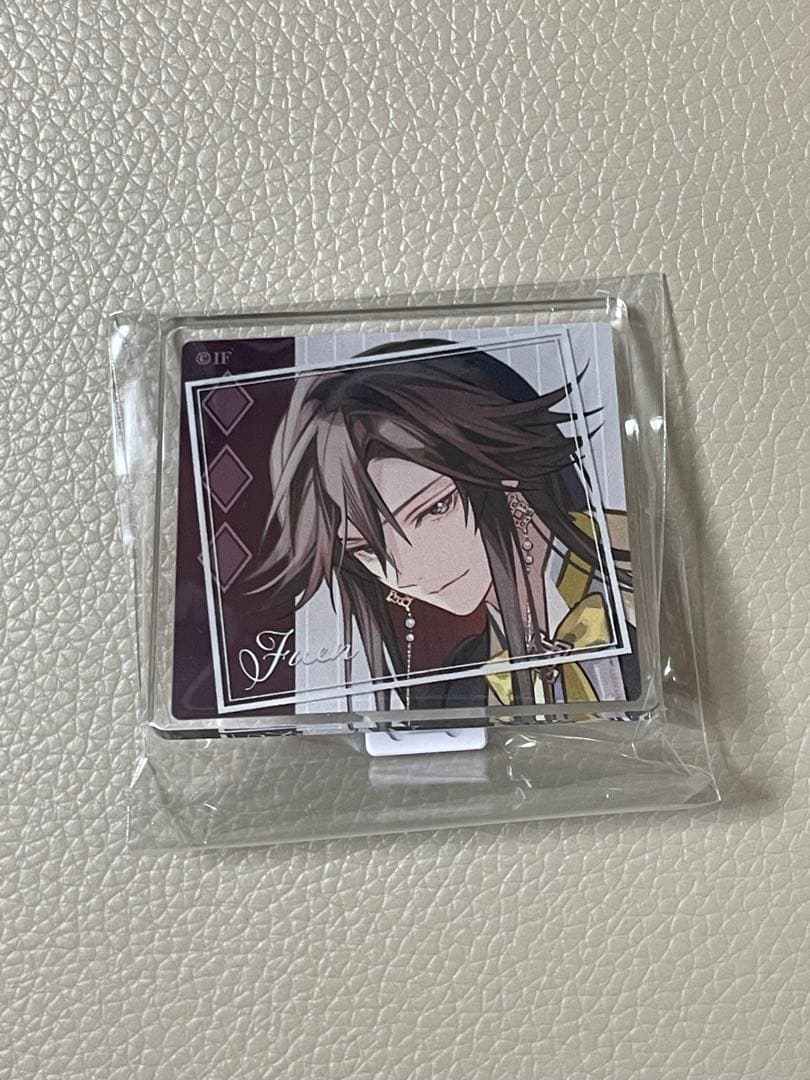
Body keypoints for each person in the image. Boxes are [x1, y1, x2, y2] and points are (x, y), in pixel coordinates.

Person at [253, 339, 638, 712]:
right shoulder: (456, 691)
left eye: (436, 508)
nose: (409, 572)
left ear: (506, 473)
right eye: (365, 548)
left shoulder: (644, 577)